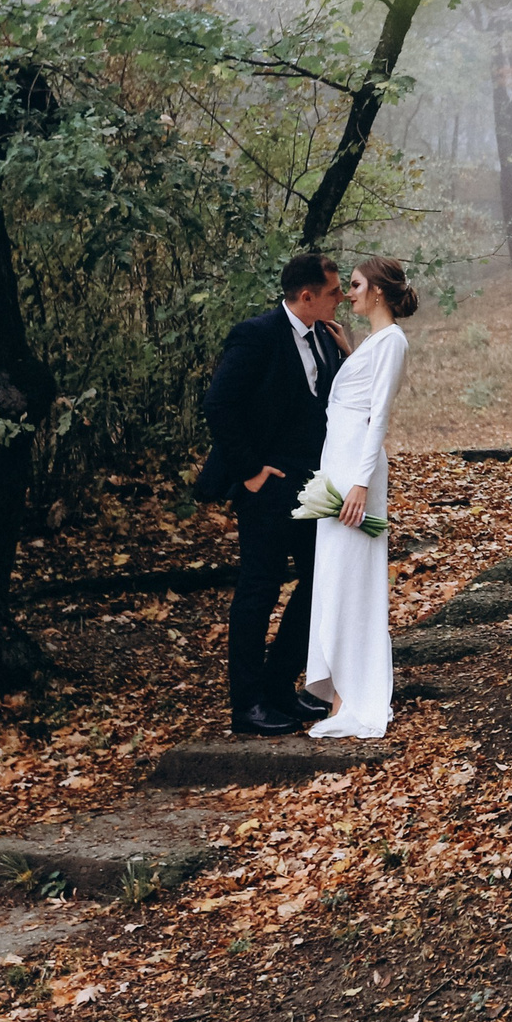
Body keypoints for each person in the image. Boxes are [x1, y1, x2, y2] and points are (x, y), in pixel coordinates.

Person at [198, 252, 347, 737]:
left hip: (313, 485)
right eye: (333, 291)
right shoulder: (257, 334)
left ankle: (279, 687)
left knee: (318, 583)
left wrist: (347, 355)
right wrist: (250, 472)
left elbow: (332, 404)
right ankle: (247, 706)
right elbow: (219, 403)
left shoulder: (326, 337)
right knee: (258, 589)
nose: (341, 297)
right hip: (266, 487)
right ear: (307, 296)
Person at [301, 256, 415, 738]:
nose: (348, 293)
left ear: (379, 292)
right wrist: (351, 353)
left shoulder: (392, 342)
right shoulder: (372, 343)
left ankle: (353, 694)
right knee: (333, 577)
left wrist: (362, 483)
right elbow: (353, 395)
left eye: (355, 285)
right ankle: (337, 689)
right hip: (338, 465)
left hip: (355, 473)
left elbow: (379, 416)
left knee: (350, 578)